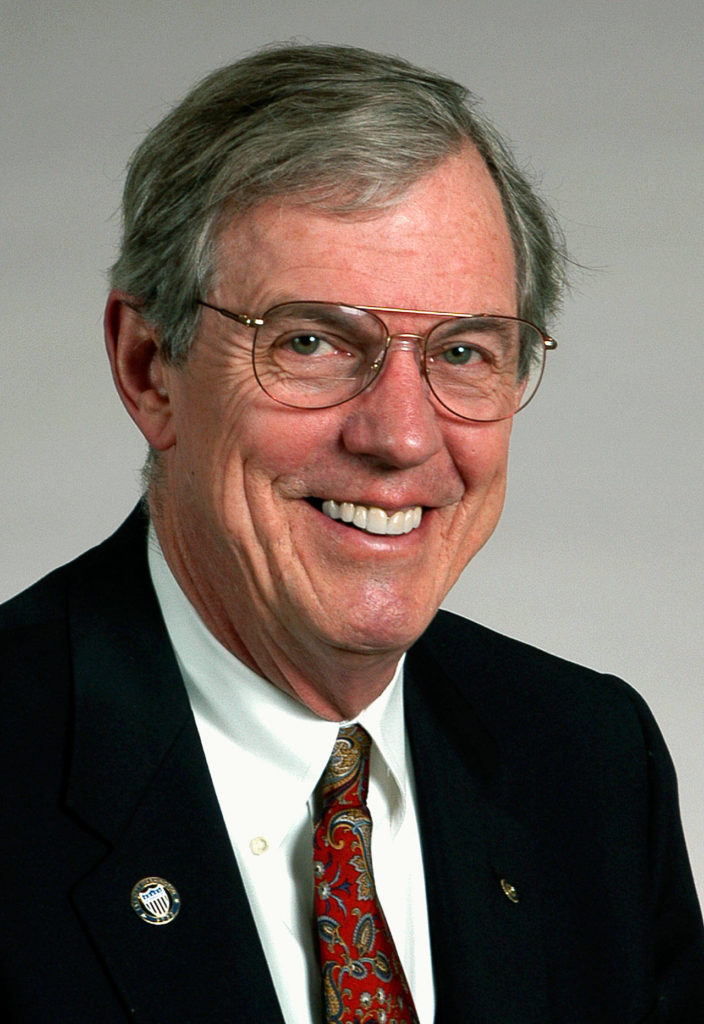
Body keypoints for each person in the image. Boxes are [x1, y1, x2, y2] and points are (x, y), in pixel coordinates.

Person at [0, 43, 702, 1024]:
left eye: (462, 352)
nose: (401, 436)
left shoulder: (586, 763)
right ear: (150, 366)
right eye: (313, 342)